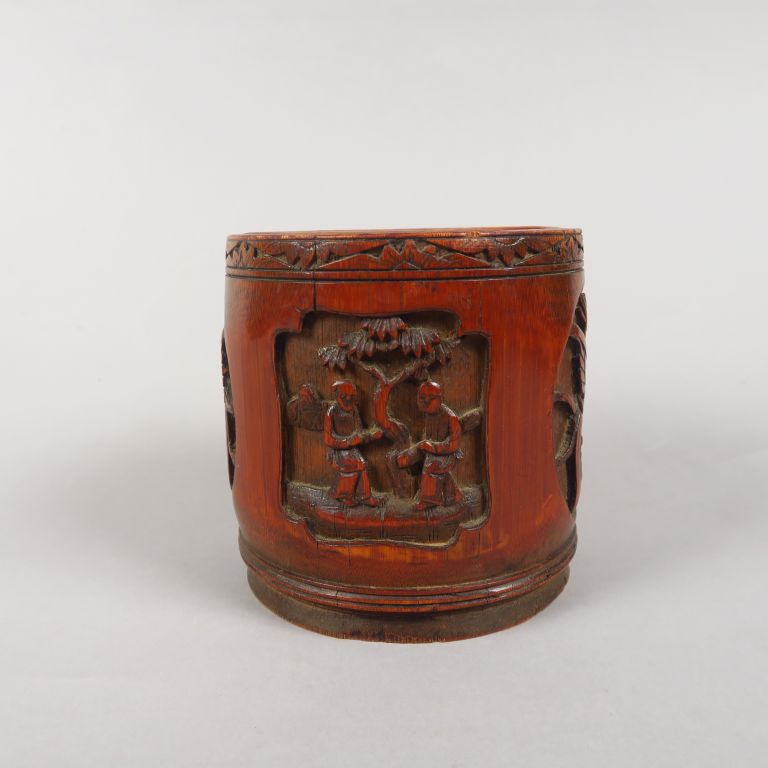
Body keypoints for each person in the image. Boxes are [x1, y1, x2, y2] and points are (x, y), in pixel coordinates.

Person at [397, 381, 463, 511]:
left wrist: (434, 448)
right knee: (403, 459)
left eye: (431, 398)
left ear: (440, 399)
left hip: (448, 453)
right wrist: (423, 447)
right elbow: (428, 436)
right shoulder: (429, 414)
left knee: (431, 464)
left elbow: (454, 444)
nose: (426, 401)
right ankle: (453, 494)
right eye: (422, 398)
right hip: (431, 449)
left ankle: (429, 500)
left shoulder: (450, 418)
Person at [324, 381, 383, 507]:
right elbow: (328, 439)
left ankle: (364, 496)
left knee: (361, 464)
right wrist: (347, 442)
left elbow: (359, 433)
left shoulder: (353, 410)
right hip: (338, 449)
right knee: (354, 464)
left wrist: (370, 436)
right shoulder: (332, 412)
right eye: (345, 396)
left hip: (350, 449)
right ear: (338, 395)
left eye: (352, 396)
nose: (348, 399)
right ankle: (343, 495)